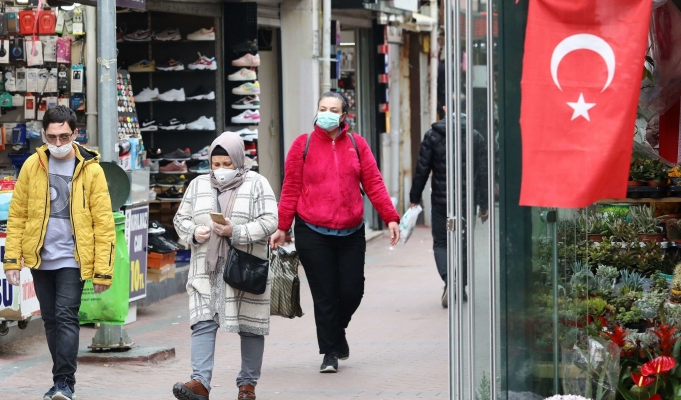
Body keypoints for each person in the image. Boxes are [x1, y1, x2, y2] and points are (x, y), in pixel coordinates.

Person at [270, 91, 400, 373]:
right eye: (322, 108)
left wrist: (390, 217)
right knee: (325, 294)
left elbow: (374, 183)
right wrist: (282, 226)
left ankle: (337, 332)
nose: (326, 113)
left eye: (333, 110)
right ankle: (329, 352)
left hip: (351, 232)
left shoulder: (357, 144)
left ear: (343, 116)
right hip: (312, 231)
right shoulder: (302, 144)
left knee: (353, 290)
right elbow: (290, 188)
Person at [3, 105, 116, 400]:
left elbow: (104, 223)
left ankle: (64, 382)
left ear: (75, 134)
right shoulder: (32, 166)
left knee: (66, 317)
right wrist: (12, 260)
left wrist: (103, 271)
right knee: (51, 320)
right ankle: (61, 380)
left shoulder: (91, 170)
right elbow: (17, 215)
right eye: (52, 137)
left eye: (64, 137)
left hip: (72, 258)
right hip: (41, 257)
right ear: (44, 134)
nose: (58, 143)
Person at [172, 132, 278, 400]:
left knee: (250, 326)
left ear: (239, 160)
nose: (220, 170)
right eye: (216, 164)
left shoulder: (257, 183)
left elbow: (270, 221)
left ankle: (247, 385)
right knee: (203, 322)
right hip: (206, 269)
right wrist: (194, 232)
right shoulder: (197, 184)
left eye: (227, 164)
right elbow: (181, 219)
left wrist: (236, 231)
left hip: (245, 267)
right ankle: (200, 382)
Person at [410, 107, 488, 308]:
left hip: (441, 201)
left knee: (441, 242)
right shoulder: (475, 136)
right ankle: (460, 286)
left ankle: (448, 280)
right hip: (466, 201)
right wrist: (484, 204)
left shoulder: (432, 136)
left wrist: (414, 198)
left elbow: (422, 170)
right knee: (464, 243)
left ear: (445, 112)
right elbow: (483, 172)